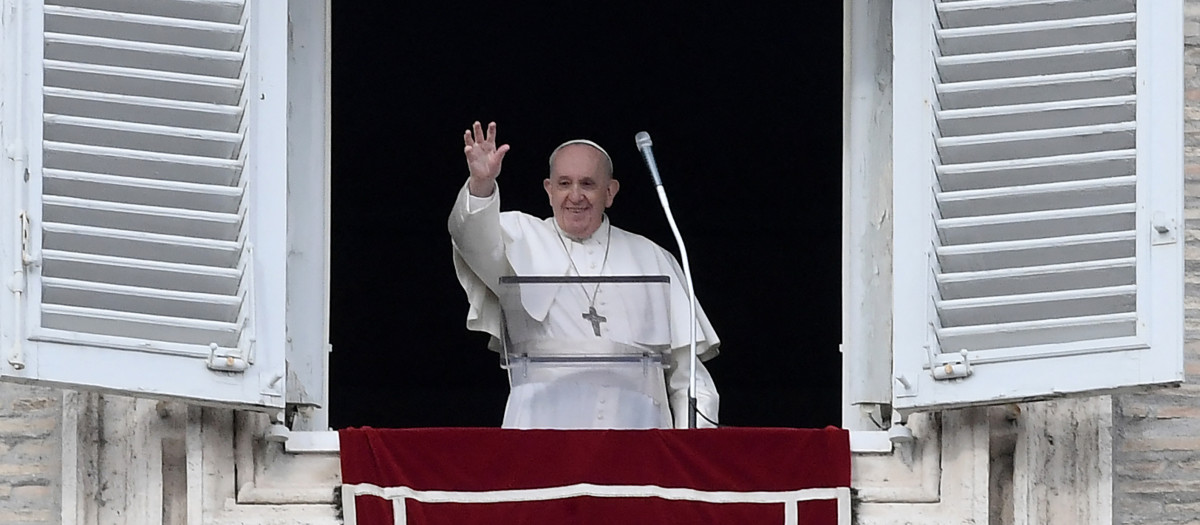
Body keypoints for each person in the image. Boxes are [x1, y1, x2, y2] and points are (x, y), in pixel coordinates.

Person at [449, 121, 720, 429]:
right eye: (564, 184)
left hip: (638, 432)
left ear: (610, 192)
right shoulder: (518, 236)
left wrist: (692, 451)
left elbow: (689, 377)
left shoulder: (652, 257)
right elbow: (471, 238)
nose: (575, 196)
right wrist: (481, 184)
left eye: (588, 184)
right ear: (549, 190)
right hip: (541, 429)